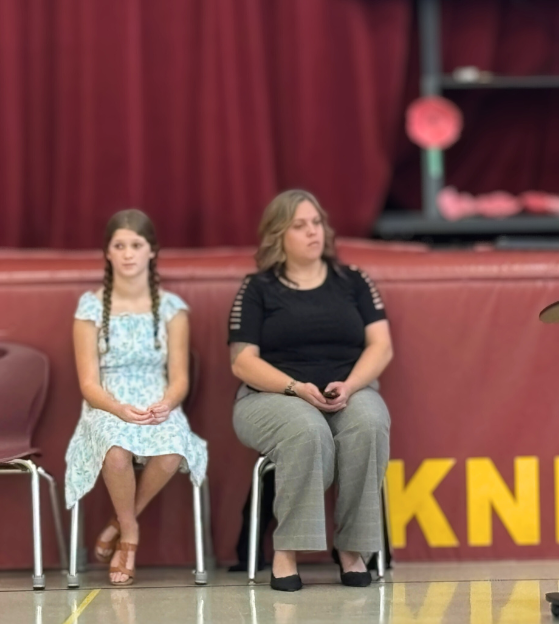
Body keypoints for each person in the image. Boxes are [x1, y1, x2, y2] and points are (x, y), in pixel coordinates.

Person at [228, 189, 392, 591]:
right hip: (273, 396)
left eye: (316, 223)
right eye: (299, 226)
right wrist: (295, 387)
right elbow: (242, 361)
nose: (311, 232)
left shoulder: (353, 281)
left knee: (369, 423)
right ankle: (288, 550)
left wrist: (352, 385)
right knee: (307, 430)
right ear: (278, 235)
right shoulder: (257, 288)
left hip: (349, 389)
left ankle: (352, 549)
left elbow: (381, 345)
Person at [65, 210, 208, 586]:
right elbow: (88, 383)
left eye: (136, 245)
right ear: (108, 254)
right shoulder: (90, 309)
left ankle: (116, 522)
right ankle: (130, 534)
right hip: (107, 400)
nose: (128, 253)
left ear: (152, 252)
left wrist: (167, 403)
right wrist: (117, 408)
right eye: (119, 246)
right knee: (116, 453)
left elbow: (179, 379)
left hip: (156, 397)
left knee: (172, 450)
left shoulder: (173, 310)